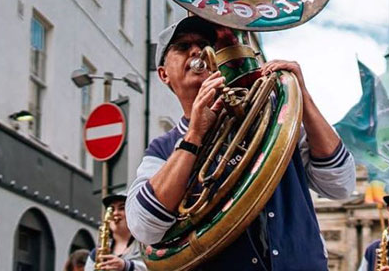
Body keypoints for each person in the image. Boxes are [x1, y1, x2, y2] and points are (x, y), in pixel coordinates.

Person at [125, 16, 356, 270]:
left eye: (204, 44)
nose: (196, 51)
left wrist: (303, 97)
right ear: (163, 74)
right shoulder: (162, 149)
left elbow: (340, 184)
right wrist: (194, 136)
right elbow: (143, 225)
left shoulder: (274, 119)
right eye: (181, 47)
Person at [86, 191, 146, 271]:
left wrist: (126, 266)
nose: (115, 213)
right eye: (111, 209)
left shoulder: (147, 245)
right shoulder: (96, 254)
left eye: (121, 208)